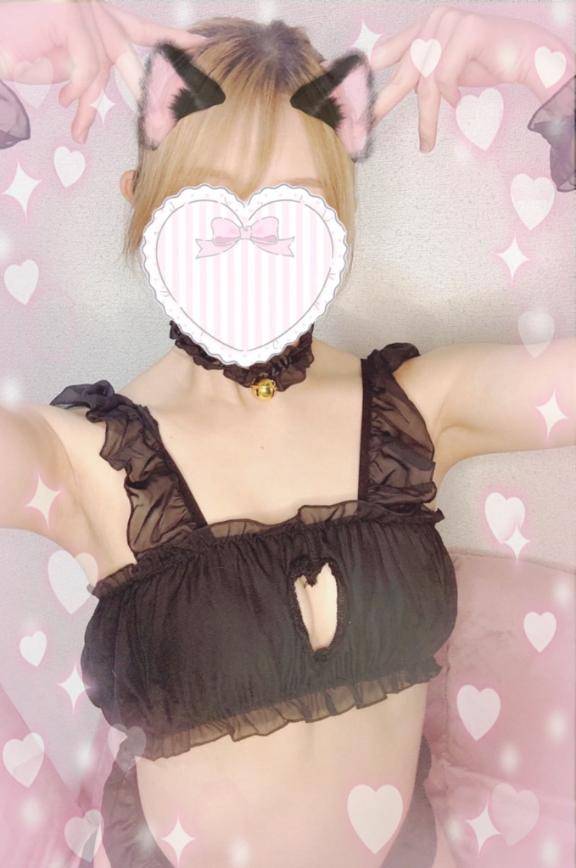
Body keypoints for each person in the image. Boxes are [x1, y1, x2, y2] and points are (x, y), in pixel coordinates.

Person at [0, 4, 574, 867]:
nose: (249, 244)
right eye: (210, 199)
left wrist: (554, 78)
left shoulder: (416, 409)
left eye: (291, 205)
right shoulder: (81, 458)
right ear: (141, 205)